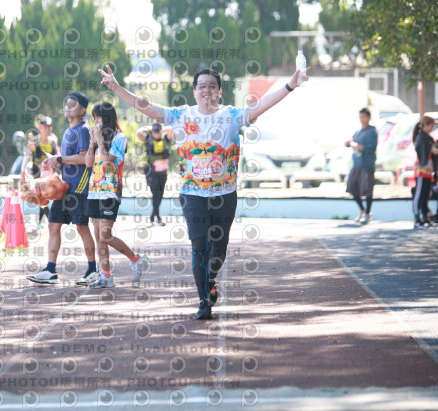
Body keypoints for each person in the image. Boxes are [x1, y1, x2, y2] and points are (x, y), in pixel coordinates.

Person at [99, 65, 308, 319]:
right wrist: (116, 87)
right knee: (199, 246)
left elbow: (262, 105)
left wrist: (290, 85)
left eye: (212, 86)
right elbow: (145, 106)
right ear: (194, 91)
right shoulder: (180, 115)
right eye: (201, 86)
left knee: (219, 249)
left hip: (224, 194)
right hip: (193, 194)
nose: (206, 90)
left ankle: (210, 279)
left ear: (219, 91)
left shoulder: (231, 115)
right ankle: (203, 301)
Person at [26, 92, 98, 286]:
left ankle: (93, 270)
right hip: (63, 187)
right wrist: (56, 163)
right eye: (67, 104)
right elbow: (66, 159)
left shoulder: (83, 130)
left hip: (79, 187)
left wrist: (59, 159)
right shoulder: (67, 131)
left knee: (81, 227)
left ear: (82, 110)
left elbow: (84, 158)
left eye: (72, 105)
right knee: (53, 224)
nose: (68, 108)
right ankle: (50, 270)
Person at [85, 102, 148, 288]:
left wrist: (99, 140)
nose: (97, 121)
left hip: (110, 192)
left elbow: (106, 161)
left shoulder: (119, 138)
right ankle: (106, 276)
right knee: (98, 235)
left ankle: (136, 259)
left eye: (99, 117)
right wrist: (92, 142)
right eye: (95, 118)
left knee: (105, 234)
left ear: (108, 118)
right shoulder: (98, 139)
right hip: (94, 192)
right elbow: (88, 163)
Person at [21, 114, 59, 228]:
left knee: (45, 197)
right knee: (42, 196)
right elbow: (26, 157)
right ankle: (49, 220)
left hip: (50, 174)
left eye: (50, 126)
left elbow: (58, 155)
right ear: (40, 127)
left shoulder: (53, 140)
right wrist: (22, 173)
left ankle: (42, 221)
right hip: (37, 174)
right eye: (46, 126)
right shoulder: (32, 141)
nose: (48, 129)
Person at [136, 122, 174, 226]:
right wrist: (150, 129)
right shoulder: (148, 139)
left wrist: (162, 129)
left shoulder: (165, 139)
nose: (157, 134)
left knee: (160, 194)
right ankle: (158, 218)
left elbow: (171, 129)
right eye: (155, 132)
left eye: (158, 132)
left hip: (163, 171)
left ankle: (153, 216)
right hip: (151, 172)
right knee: (156, 193)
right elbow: (138, 132)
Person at [345, 108, 378, 224]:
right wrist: (349, 143)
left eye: (364, 117)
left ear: (368, 117)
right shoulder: (358, 132)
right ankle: (362, 210)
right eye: (360, 117)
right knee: (352, 187)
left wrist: (358, 146)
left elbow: (372, 148)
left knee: (368, 189)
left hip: (367, 164)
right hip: (356, 164)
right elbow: (351, 141)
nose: (362, 119)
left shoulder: (372, 131)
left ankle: (367, 213)